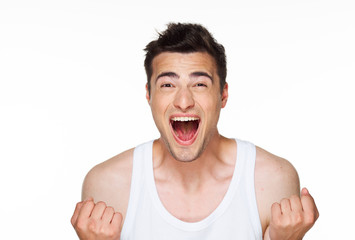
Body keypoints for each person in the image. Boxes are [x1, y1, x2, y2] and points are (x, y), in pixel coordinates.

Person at [71, 23, 319, 240]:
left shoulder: (270, 179)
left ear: (223, 94)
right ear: (149, 95)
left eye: (199, 84)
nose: (183, 100)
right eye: (168, 84)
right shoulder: (108, 185)